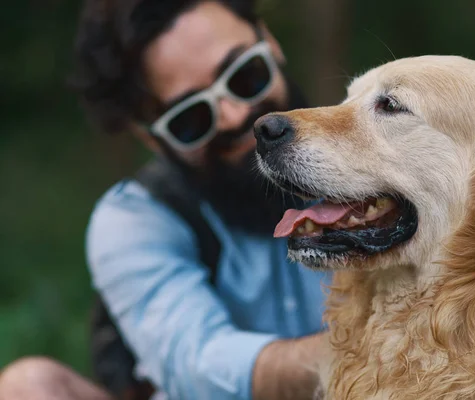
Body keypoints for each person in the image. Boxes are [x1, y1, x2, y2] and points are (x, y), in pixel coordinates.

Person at [0, 1, 329, 399]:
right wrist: (372, 350)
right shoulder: (134, 220)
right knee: (28, 386)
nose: (234, 115)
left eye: (246, 76)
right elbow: (199, 369)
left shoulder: (378, 154)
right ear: (150, 138)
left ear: (271, 43)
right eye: (192, 117)